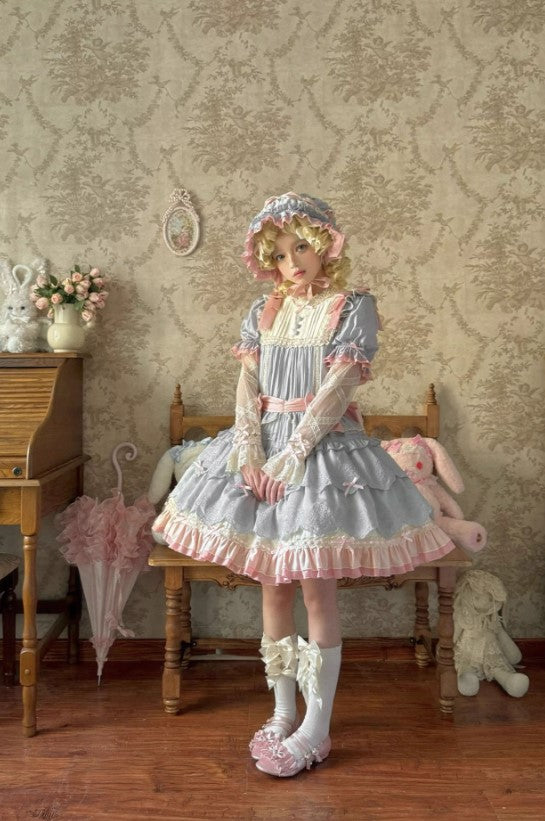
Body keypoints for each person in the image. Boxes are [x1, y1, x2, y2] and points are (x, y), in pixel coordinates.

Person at [153, 192, 455, 777]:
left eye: (301, 248)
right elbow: (247, 388)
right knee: (273, 589)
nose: (291, 262)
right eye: (280, 253)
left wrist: (291, 457)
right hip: (261, 452)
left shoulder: (352, 307)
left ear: (324, 247)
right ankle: (282, 711)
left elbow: (336, 391)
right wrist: (249, 452)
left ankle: (318, 725)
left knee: (317, 591)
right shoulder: (263, 310)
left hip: (319, 455)